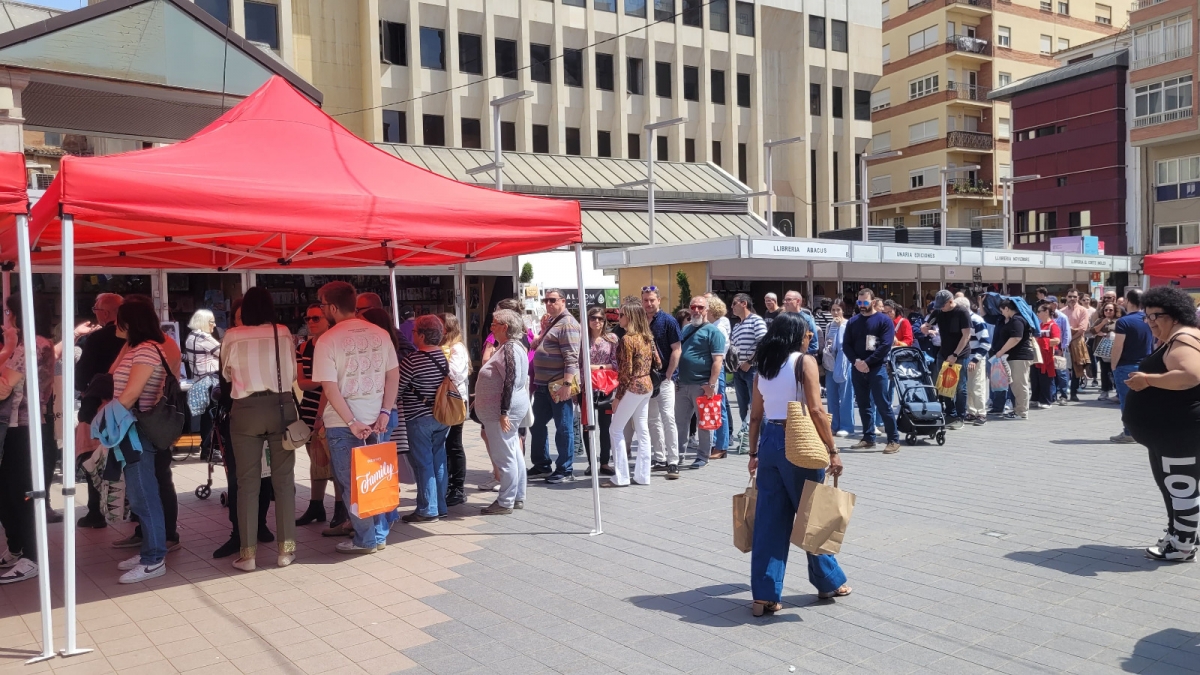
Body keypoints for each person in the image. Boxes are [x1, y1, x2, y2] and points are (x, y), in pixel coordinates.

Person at [746, 312, 850, 615]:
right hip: (799, 441)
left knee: (769, 521)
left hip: (769, 441)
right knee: (812, 513)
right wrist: (832, 449)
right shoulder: (803, 362)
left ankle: (764, 595)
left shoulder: (763, 367)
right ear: (796, 335)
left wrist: (753, 454)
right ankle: (828, 581)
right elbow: (816, 409)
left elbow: (754, 416)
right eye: (807, 334)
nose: (809, 339)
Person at [313, 281, 400, 553]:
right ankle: (378, 533)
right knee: (378, 477)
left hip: (344, 423)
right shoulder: (380, 334)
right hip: (377, 417)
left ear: (334, 307)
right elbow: (393, 374)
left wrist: (351, 421)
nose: (321, 310)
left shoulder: (327, 340)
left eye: (323, 305)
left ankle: (366, 539)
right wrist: (385, 410)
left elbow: (329, 387)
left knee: (352, 482)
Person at [221, 287, 300, 571]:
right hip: (281, 407)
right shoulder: (283, 332)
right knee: (283, 481)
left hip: (245, 410)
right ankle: (286, 550)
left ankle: (248, 554)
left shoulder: (232, 335)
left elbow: (227, 374)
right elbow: (292, 374)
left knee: (247, 484)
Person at [1122, 286, 1200, 562]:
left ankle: (1182, 546)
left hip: (1178, 431)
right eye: (1148, 316)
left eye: (1157, 316)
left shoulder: (1183, 338)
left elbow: (1190, 375)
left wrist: (1147, 379)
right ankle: (1181, 534)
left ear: (1176, 315)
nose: (1151, 322)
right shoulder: (1178, 338)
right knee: (1175, 487)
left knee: (1181, 487)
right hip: (1169, 432)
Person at [107, 301, 172, 583]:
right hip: (130, 427)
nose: (114, 325)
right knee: (140, 494)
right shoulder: (136, 348)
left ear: (130, 322)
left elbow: (132, 393)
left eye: (119, 320)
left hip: (137, 428)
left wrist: (105, 417)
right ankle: (150, 548)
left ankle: (154, 558)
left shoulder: (145, 350)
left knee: (144, 494)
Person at [0, 297, 46, 585]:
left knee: (22, 494)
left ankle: (30, 554)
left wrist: (7, 346)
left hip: (23, 428)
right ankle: (18, 548)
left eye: (7, 311)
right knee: (10, 492)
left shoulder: (27, 347)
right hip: (24, 427)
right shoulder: (39, 342)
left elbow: (3, 388)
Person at [74, 293, 125, 529]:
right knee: (129, 459)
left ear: (104, 313)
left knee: (91, 458)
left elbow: (81, 378)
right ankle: (132, 511)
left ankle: (96, 511)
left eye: (95, 309)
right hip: (128, 408)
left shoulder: (95, 339)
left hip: (97, 408)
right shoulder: (137, 338)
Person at [475, 309, 530, 513]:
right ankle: (516, 496)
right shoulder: (511, 347)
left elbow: (510, 381)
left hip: (502, 412)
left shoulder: (509, 349)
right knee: (513, 453)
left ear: (505, 327)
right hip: (504, 410)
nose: (491, 327)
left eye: (494, 324)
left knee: (505, 457)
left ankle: (506, 501)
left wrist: (504, 411)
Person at [398, 315, 452, 521]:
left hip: (418, 417)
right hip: (442, 416)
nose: (411, 336)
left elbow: (398, 388)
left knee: (423, 463)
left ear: (421, 335)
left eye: (413, 332)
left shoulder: (413, 359)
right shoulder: (442, 356)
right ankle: (440, 506)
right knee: (438, 461)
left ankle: (427, 509)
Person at [604, 303, 661, 487]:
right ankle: (642, 476)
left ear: (630, 317)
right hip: (647, 385)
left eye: (622, 315)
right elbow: (658, 363)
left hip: (633, 386)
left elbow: (625, 372)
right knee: (642, 430)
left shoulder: (627, 340)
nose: (618, 318)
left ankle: (621, 477)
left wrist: (618, 397)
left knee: (615, 429)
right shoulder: (647, 337)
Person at [529, 289, 581, 483]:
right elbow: (535, 346)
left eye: (553, 300)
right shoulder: (552, 322)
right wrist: (542, 330)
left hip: (559, 383)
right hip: (543, 384)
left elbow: (571, 358)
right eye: (546, 300)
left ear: (563, 301)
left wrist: (567, 384)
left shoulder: (567, 324)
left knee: (563, 427)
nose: (548, 303)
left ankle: (565, 469)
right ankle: (542, 464)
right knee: (537, 424)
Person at [843, 288, 899, 453]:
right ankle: (868, 438)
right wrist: (856, 361)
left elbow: (885, 345)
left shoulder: (883, 320)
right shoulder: (853, 321)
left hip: (877, 368)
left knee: (883, 404)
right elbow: (846, 345)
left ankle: (893, 439)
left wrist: (868, 362)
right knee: (863, 404)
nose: (861, 305)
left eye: (865, 302)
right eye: (859, 302)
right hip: (858, 368)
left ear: (873, 302)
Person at [674, 296, 727, 469]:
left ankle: (703, 456)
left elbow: (717, 361)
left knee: (705, 423)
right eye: (693, 307)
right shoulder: (685, 329)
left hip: (703, 385)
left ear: (706, 310)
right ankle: (678, 456)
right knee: (680, 423)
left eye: (700, 307)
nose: (696, 310)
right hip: (682, 384)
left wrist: (711, 385)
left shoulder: (714, 332)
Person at [295, 303, 334, 527]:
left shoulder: (333, 344)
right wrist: (325, 381)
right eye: (308, 318)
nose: (310, 322)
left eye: (316, 318)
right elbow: (302, 383)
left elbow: (328, 385)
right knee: (315, 459)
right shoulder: (303, 348)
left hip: (332, 410)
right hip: (309, 409)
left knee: (336, 461)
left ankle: (338, 507)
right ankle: (316, 504)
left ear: (328, 319)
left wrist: (320, 383)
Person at [643, 287, 681, 478]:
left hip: (664, 378)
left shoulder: (669, 321)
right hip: (646, 379)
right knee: (652, 420)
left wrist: (668, 374)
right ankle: (659, 458)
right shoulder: (641, 321)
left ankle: (673, 461)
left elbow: (677, 349)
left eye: (652, 300)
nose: (649, 304)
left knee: (668, 418)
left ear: (659, 300)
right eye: (646, 301)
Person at [922, 290, 972, 428]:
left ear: (951, 301)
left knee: (960, 387)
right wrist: (925, 327)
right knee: (944, 385)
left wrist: (955, 354)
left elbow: (966, 336)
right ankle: (950, 412)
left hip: (960, 354)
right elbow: (927, 324)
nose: (941, 309)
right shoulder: (938, 312)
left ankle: (960, 416)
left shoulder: (962, 312)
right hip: (943, 353)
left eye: (943, 306)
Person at [1110, 289, 1155, 444]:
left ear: (1128, 301)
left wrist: (1113, 365)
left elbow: (1118, 346)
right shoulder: (1149, 319)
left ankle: (1129, 432)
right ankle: (1145, 430)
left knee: (1127, 402)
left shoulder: (1123, 322)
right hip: (1146, 364)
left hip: (1126, 365)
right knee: (1145, 401)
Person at [439, 313, 471, 505]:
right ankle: (449, 485)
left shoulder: (456, 348)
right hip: (444, 400)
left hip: (455, 401)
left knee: (454, 444)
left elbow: (455, 374)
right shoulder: (445, 347)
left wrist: (439, 359)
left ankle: (457, 488)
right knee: (447, 445)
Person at [582, 307, 618, 476]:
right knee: (588, 426)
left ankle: (604, 462)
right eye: (593, 318)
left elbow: (615, 364)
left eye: (600, 319)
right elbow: (579, 363)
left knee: (606, 425)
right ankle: (591, 463)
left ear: (605, 321)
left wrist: (595, 367)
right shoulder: (582, 339)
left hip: (606, 387)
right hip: (586, 387)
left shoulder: (611, 339)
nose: (597, 321)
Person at [183, 309, 221, 459]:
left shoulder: (191, 336)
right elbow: (224, 352)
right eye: (211, 322)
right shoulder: (204, 338)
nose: (214, 325)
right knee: (213, 417)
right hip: (211, 380)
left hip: (199, 381)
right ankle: (209, 450)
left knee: (207, 416)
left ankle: (207, 449)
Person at [989, 299, 1035, 420]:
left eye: (1002, 311)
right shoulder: (1015, 319)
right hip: (1015, 357)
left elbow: (1016, 338)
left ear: (1007, 309)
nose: (1002, 313)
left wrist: (1000, 352)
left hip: (1020, 357)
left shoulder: (1017, 320)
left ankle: (1021, 412)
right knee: (1016, 384)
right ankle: (1018, 409)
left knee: (1020, 385)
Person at [730, 293, 767, 436]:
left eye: (734, 303)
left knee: (757, 407)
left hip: (754, 370)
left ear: (744, 303)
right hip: (738, 371)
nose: (731, 307)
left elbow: (762, 343)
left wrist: (750, 362)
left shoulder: (756, 320)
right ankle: (749, 436)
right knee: (743, 408)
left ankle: (763, 439)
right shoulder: (737, 325)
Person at [958, 297, 992, 426]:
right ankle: (971, 411)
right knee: (967, 386)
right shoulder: (963, 320)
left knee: (977, 386)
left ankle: (981, 413)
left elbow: (985, 343)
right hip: (965, 357)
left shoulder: (977, 320)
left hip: (974, 358)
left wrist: (975, 359)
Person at [824, 300, 855, 437]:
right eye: (833, 310)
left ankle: (847, 425)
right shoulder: (829, 325)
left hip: (845, 364)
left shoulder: (849, 325)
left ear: (843, 310)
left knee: (846, 395)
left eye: (838, 310)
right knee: (831, 396)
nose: (835, 313)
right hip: (830, 364)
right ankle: (833, 424)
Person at [706, 296, 733, 457]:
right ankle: (715, 442)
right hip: (714, 368)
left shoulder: (719, 327)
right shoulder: (717, 324)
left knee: (719, 406)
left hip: (716, 368)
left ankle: (721, 445)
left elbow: (719, 353)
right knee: (714, 406)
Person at [1031, 304, 1061, 408]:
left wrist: (1042, 341)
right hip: (1038, 356)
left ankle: (1046, 400)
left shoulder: (1053, 325)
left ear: (1046, 312)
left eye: (1039, 311)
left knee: (1045, 379)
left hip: (1047, 357)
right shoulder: (1039, 325)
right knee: (1035, 378)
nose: (1037, 314)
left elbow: (1057, 340)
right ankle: (1035, 398)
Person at [1089, 301, 1120, 402]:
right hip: (1102, 350)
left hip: (1115, 349)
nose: (1108, 311)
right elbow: (1092, 331)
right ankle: (1105, 391)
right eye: (1106, 310)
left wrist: (1112, 333)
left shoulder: (1119, 321)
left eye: (1110, 310)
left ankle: (1118, 392)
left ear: (1115, 311)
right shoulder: (1100, 320)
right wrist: (1102, 324)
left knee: (1115, 371)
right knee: (1104, 371)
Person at [782, 290, 819, 355]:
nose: (785, 302)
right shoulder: (782, 319)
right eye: (785, 300)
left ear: (798, 301)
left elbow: (814, 345)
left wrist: (799, 357)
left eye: (789, 300)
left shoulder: (807, 319)